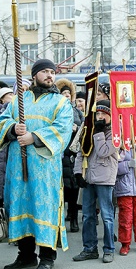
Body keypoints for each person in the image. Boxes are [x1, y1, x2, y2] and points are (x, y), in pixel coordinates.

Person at [0, 59, 73, 269]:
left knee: (44, 208)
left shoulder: (60, 103)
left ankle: (47, 257)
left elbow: (63, 130)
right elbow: (0, 122)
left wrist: (34, 137)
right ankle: (26, 255)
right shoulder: (20, 100)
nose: (50, 75)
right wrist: (12, 128)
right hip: (18, 167)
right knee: (21, 205)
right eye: (45, 71)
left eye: (52, 72)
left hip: (45, 168)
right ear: (35, 74)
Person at [73, 100, 118, 263]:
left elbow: (104, 151)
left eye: (104, 114)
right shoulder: (88, 130)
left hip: (105, 177)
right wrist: (78, 172)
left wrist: (98, 133)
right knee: (87, 215)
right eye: (97, 114)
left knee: (107, 215)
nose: (100, 117)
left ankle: (109, 249)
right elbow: (81, 151)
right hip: (89, 177)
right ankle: (89, 248)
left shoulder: (115, 132)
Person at [56, 78, 84, 232]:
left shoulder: (77, 111)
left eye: (68, 93)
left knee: (74, 188)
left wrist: (77, 128)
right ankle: (60, 221)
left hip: (74, 153)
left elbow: (84, 127)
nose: (66, 95)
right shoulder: (56, 109)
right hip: (61, 153)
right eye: (63, 93)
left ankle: (74, 218)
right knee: (62, 190)